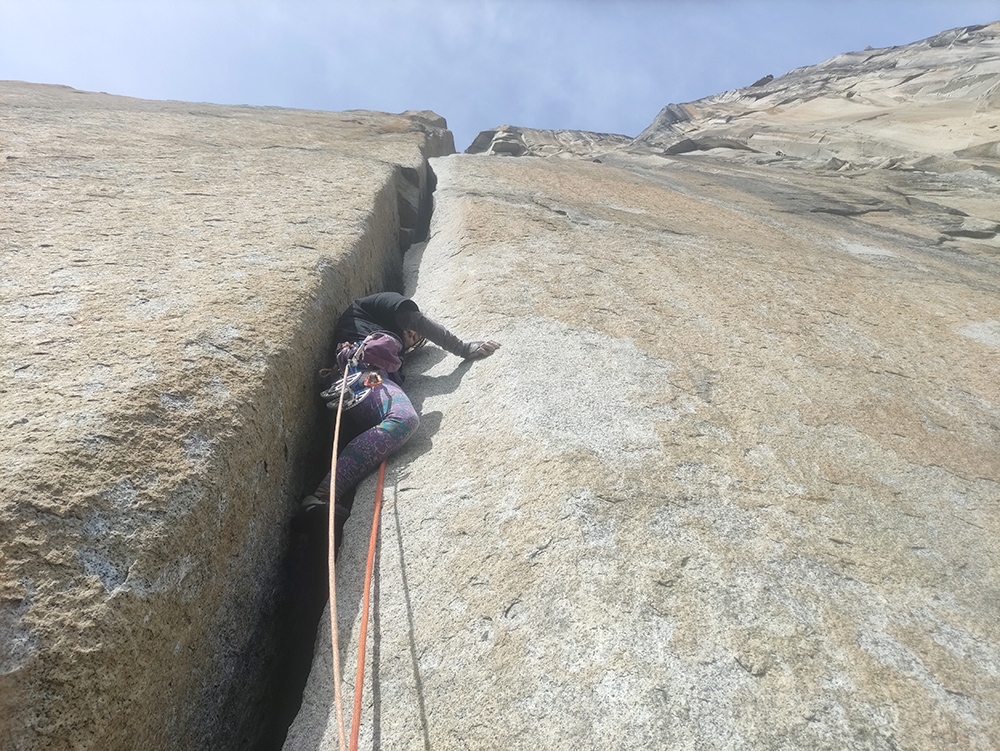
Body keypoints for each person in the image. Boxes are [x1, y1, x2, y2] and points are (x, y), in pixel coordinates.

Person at [302, 292, 499, 545]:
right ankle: (322, 495)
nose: (413, 334)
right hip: (363, 376)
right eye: (411, 331)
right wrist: (463, 348)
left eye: (415, 338)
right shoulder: (371, 308)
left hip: (360, 386)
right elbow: (415, 319)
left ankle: (321, 509)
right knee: (403, 418)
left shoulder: (393, 359)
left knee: (396, 421)